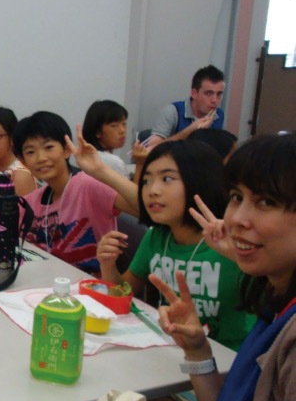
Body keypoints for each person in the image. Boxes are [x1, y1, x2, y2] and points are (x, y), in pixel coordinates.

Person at [118, 133, 296, 401]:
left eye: (266, 202)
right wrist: (197, 349)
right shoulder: (277, 302)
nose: (237, 219)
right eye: (236, 197)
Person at [86, 139, 254, 352]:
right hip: (171, 349)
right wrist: (108, 264)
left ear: (200, 180)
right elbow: (122, 295)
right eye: (146, 181)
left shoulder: (230, 243)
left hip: (228, 358)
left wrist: (238, 255)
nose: (152, 190)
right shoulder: (157, 237)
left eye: (167, 179)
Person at [12, 111, 138, 277]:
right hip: (45, 283)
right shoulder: (30, 202)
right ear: (23, 161)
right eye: (30, 152)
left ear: (66, 150)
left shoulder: (86, 185)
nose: (41, 158)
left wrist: (101, 170)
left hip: (91, 286)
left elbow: (145, 208)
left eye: (49, 147)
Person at [148, 65, 226, 143]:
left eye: (219, 94)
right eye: (208, 93)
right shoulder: (172, 112)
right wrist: (189, 131)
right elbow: (151, 147)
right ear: (194, 93)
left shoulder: (219, 115)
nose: (214, 100)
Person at [80, 99, 130, 178]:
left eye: (124, 124)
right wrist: (140, 163)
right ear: (98, 132)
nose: (122, 130)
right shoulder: (114, 162)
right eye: (114, 126)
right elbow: (131, 187)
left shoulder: (89, 156)